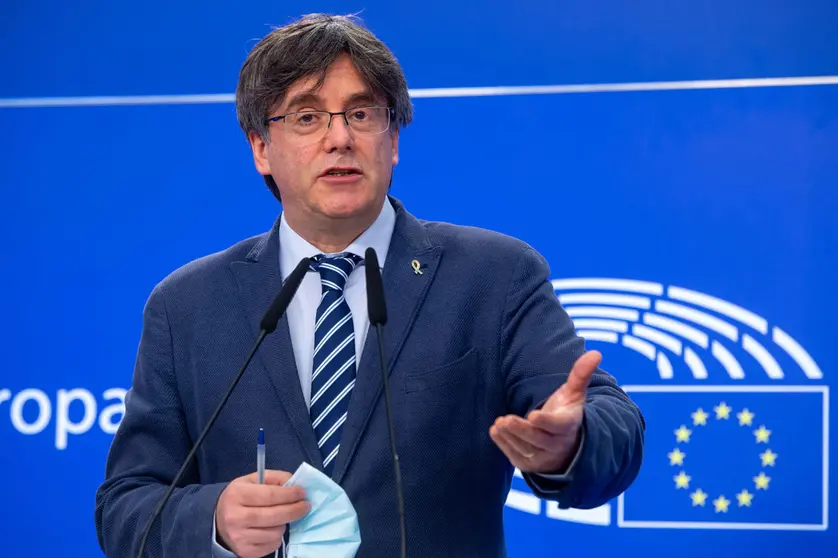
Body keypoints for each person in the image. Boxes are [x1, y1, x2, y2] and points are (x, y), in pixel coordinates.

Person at [95, 13, 645, 558]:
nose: (340, 138)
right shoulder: (187, 306)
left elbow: (608, 419)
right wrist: (212, 519)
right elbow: (126, 504)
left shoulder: (494, 276)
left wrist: (572, 443)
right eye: (307, 117)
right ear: (261, 146)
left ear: (394, 138)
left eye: (361, 114)